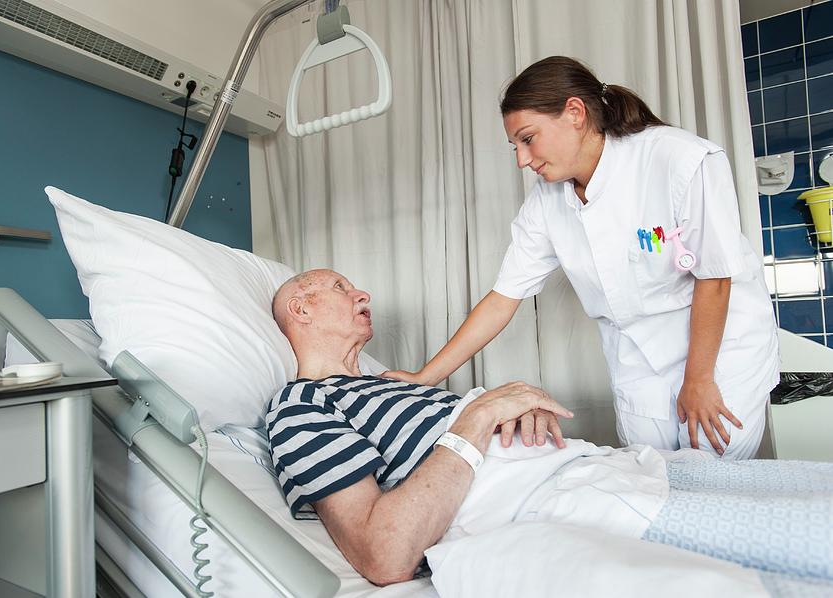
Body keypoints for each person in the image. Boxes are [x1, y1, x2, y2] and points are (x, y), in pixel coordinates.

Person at [267, 268, 831, 591]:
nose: (363, 294)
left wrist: (508, 413)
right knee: (811, 540)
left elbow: (452, 445)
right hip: (567, 500)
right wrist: (480, 414)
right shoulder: (300, 404)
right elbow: (383, 553)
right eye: (341, 287)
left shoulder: (392, 385)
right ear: (302, 308)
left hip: (612, 467)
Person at [386, 56, 779, 460]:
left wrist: (699, 379)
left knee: (714, 474)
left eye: (528, 138)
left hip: (720, 351)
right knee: (651, 476)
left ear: (574, 112)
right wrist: (424, 377)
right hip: (635, 357)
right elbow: (503, 299)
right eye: (515, 146)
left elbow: (714, 277)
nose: (522, 160)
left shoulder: (679, 160)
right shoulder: (547, 201)